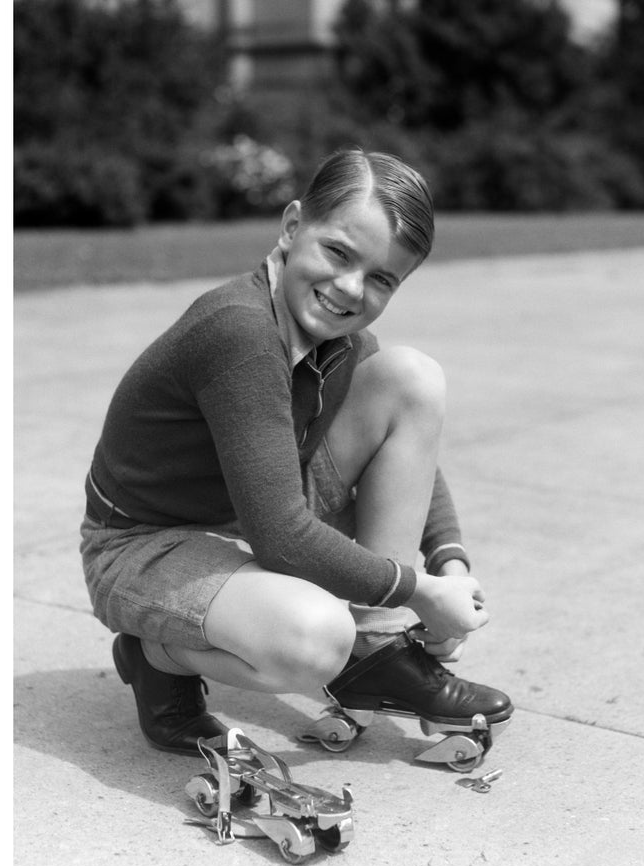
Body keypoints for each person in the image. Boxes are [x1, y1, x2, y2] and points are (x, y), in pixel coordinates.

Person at [80, 148, 513, 756]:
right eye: (337, 252)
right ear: (291, 227)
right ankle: (155, 657)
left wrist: (450, 567)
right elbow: (280, 534)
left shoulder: (341, 340)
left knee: (410, 377)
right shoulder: (239, 331)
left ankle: (379, 649)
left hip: (243, 513)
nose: (350, 288)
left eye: (382, 277)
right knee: (314, 639)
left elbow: (413, 455)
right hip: (145, 544)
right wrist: (418, 593)